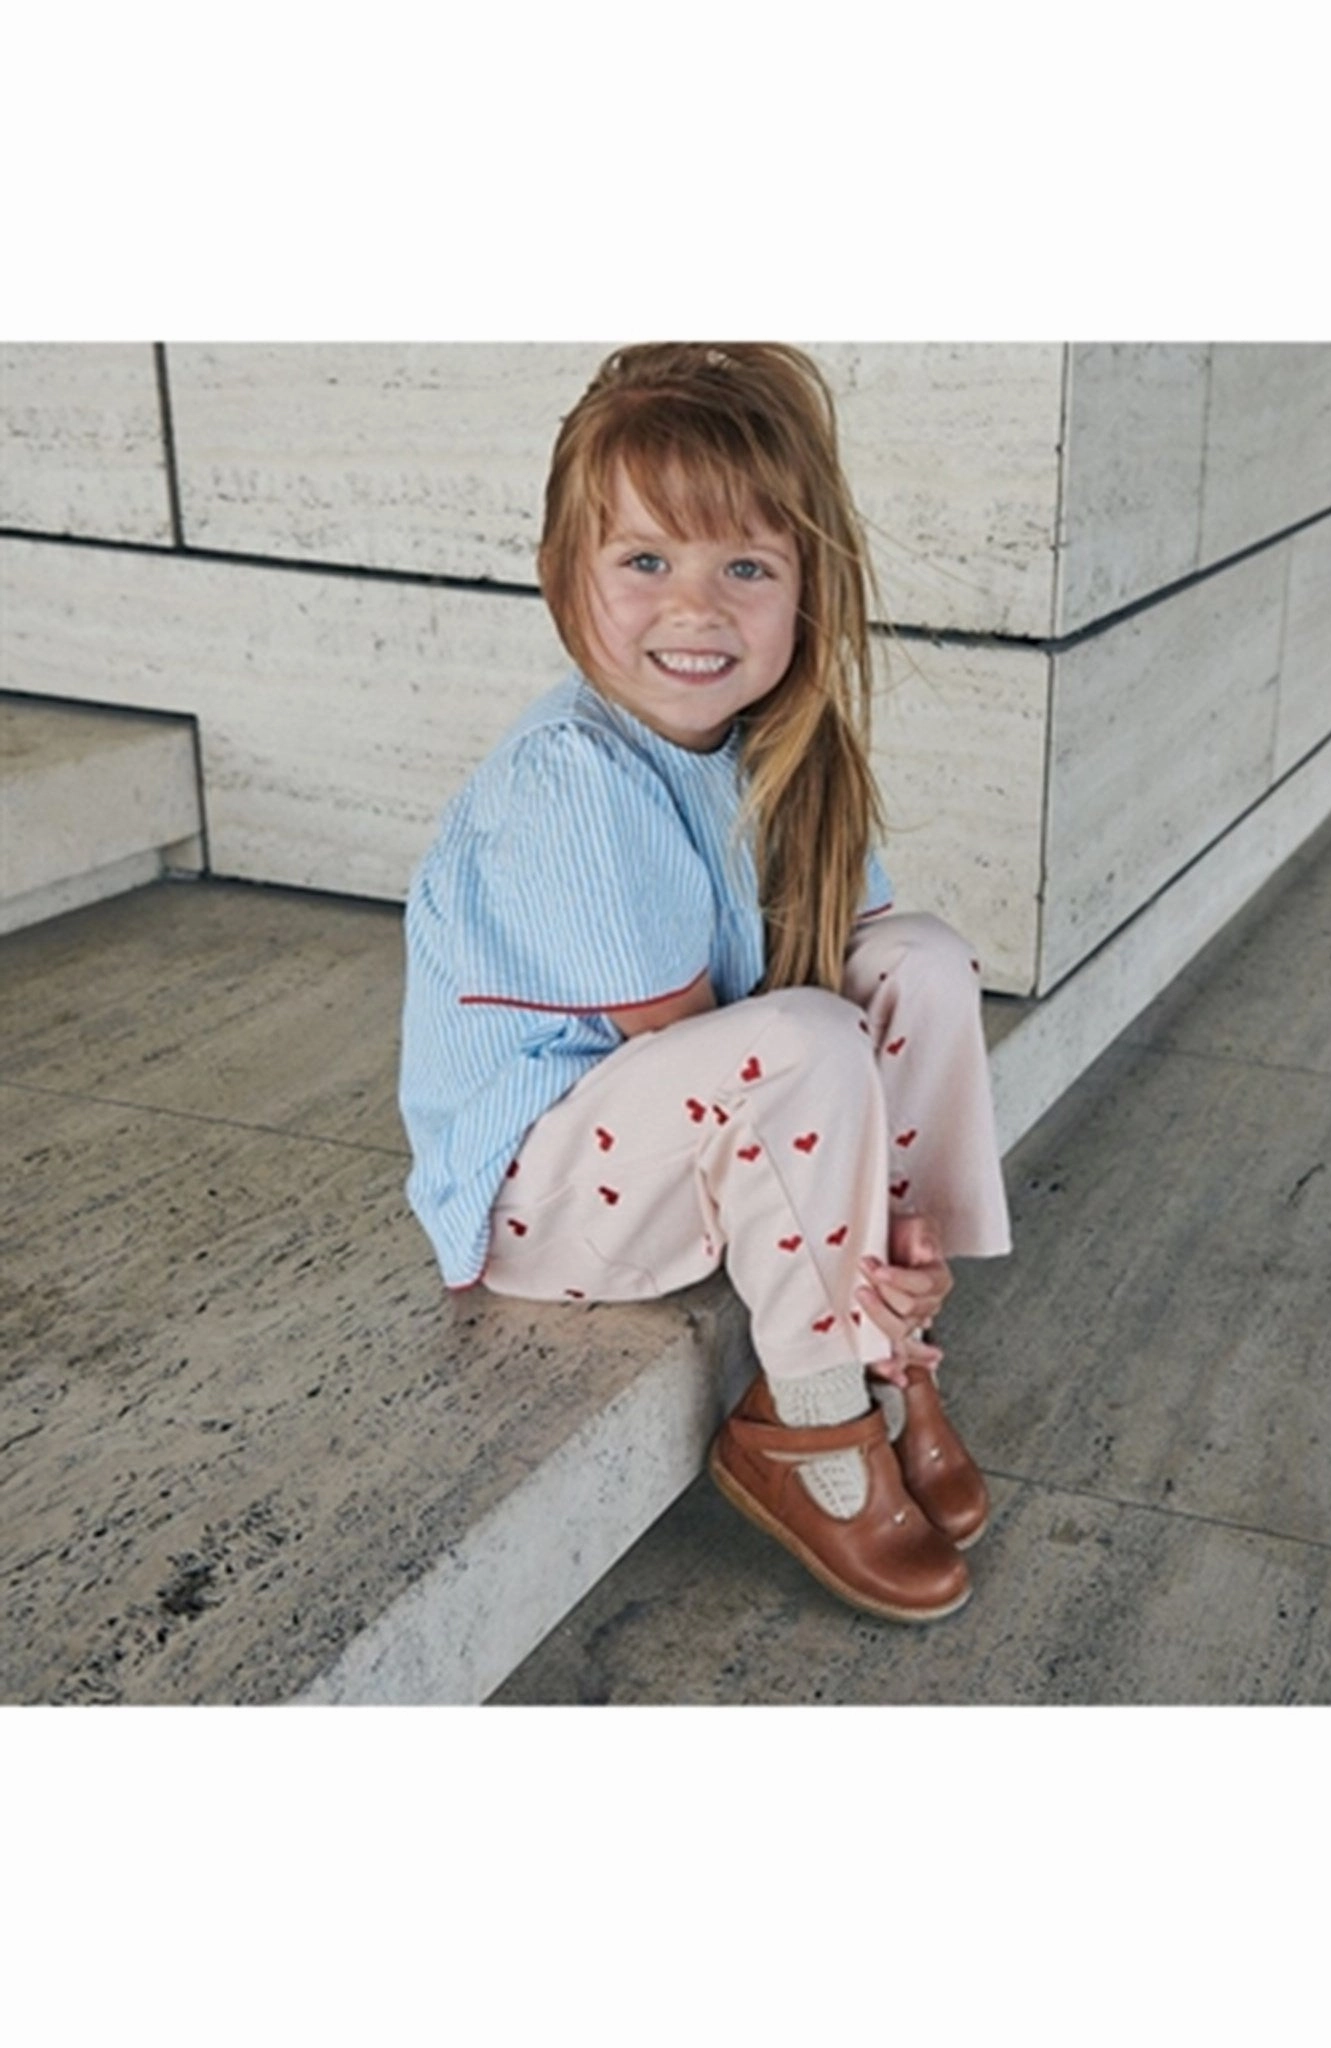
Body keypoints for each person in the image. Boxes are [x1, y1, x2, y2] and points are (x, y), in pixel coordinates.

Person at [399, 343, 1012, 1624]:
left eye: (744, 565)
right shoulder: (571, 778)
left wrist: (889, 1237)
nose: (696, 608)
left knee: (922, 962)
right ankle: (814, 1411)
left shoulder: (782, 748)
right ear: (567, 577)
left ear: (805, 591)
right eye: (645, 562)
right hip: (548, 1190)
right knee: (799, 1038)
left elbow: (862, 1002)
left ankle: (907, 1294)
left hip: (701, 1110)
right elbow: (727, 1046)